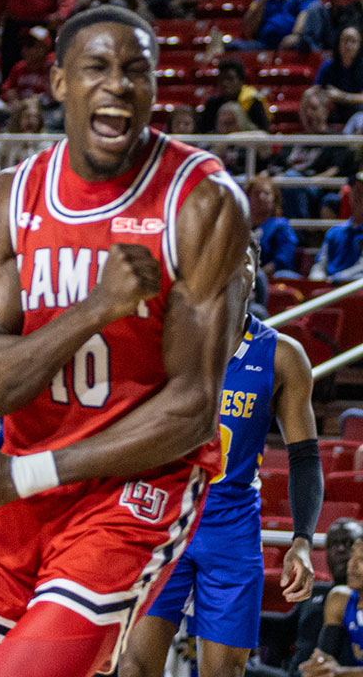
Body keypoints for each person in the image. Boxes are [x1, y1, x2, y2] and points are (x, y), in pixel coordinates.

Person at [0, 5, 251, 677]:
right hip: (22, 484)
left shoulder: (201, 201)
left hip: (130, 493)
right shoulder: (13, 196)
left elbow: (192, 410)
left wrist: (28, 473)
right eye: (97, 68)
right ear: (60, 83)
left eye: (137, 72)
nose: (118, 85)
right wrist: (95, 308)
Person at [120, 240, 322, 677]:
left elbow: (305, 457)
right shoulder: (162, 340)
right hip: (162, 517)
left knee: (226, 671)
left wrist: (302, 540)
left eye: (241, 259)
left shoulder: (282, 356)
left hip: (230, 525)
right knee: (134, 665)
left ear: (255, 271)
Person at [298, 538, 363, 675]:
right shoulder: (339, 598)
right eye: (352, 558)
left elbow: (336, 672)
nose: (352, 565)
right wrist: (319, 663)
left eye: (362, 560)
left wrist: (339, 673)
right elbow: (326, 652)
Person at [309, 172, 363, 282]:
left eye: (362, 190)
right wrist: (318, 279)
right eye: (355, 189)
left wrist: (335, 279)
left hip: (355, 290)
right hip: (329, 287)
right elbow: (320, 265)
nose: (358, 194)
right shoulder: (334, 232)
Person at [248, 173, 301, 278]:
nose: (261, 197)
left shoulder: (281, 226)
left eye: (266, 193)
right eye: (256, 193)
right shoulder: (241, 227)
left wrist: (256, 276)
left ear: (274, 199)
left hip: (271, 278)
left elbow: (282, 260)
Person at [198, 58, 271, 133]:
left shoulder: (253, 102)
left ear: (241, 81)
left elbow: (263, 132)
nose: (225, 83)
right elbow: (204, 131)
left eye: (230, 79)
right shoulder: (212, 104)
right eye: (222, 79)